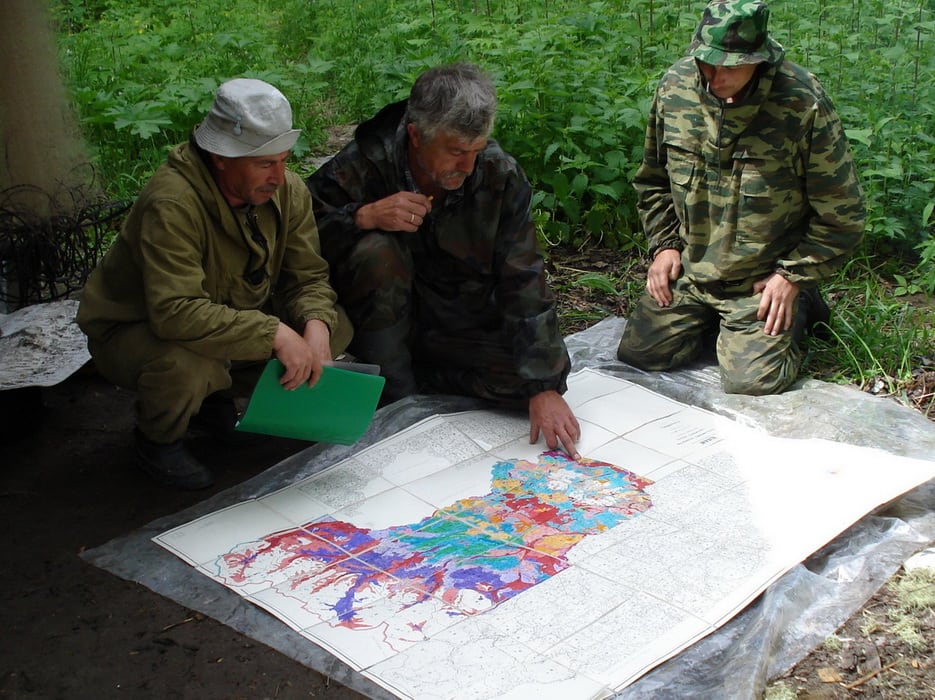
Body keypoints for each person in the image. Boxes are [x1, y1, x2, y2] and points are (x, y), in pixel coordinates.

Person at [77, 78, 352, 490]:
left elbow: (307, 275)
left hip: (228, 313)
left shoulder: (288, 191)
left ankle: (211, 404)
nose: (279, 177)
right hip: (136, 329)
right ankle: (158, 439)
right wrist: (274, 333)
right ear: (221, 157)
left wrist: (315, 325)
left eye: (283, 160)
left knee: (334, 326)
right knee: (187, 365)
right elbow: (175, 313)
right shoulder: (173, 204)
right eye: (264, 164)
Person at [306, 62, 581, 458]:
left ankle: (421, 379)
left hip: (455, 322)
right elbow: (297, 231)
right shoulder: (367, 162)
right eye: (455, 152)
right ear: (416, 136)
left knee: (534, 376)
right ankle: (395, 396)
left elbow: (523, 277)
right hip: (381, 324)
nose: (467, 167)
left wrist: (543, 386)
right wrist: (362, 217)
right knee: (377, 251)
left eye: (476, 151)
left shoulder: (498, 175)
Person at [617, 0, 865, 395]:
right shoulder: (676, 88)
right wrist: (664, 247)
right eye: (707, 63)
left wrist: (792, 276)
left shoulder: (801, 103)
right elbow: (653, 180)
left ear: (759, 60)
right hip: (694, 270)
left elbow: (843, 214)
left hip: (762, 279)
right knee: (640, 353)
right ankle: (718, 325)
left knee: (750, 380)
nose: (715, 77)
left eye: (730, 67)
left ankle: (801, 306)